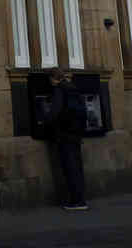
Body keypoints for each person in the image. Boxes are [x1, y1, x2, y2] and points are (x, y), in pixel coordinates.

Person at [47, 67, 88, 211]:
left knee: (69, 167)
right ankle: (81, 199)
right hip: (76, 133)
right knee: (77, 166)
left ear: (53, 78)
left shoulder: (59, 90)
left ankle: (76, 201)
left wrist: (47, 121)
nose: (50, 82)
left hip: (65, 134)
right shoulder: (73, 88)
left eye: (50, 79)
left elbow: (54, 112)